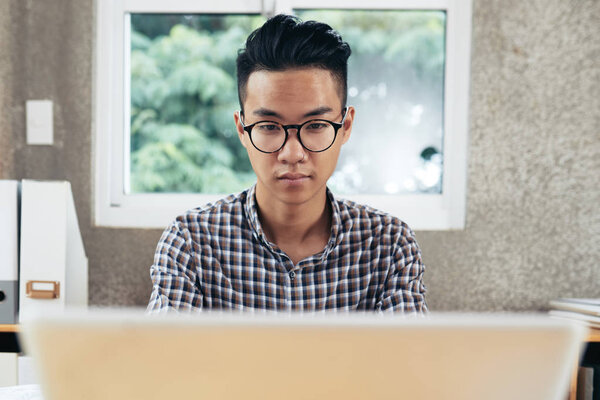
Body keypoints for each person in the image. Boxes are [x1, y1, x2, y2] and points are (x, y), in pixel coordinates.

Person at [147, 14, 427, 313]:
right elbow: (164, 359)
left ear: (345, 126)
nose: (292, 154)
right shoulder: (190, 242)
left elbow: (409, 360)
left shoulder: (389, 245)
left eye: (316, 125)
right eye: (268, 126)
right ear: (242, 129)